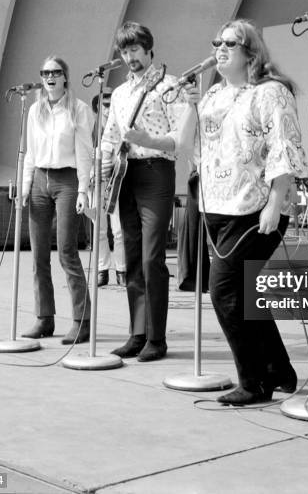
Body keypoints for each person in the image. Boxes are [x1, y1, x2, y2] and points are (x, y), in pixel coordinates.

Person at [178, 18, 306, 405]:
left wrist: (274, 201)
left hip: (254, 210)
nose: (220, 48)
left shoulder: (270, 93)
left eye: (230, 44)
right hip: (217, 208)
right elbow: (186, 144)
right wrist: (190, 104)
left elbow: (285, 146)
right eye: (216, 42)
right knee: (245, 294)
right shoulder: (214, 96)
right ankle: (280, 370)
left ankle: (253, 382)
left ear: (250, 52)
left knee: (225, 294)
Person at [101, 22, 183, 362]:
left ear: (149, 49)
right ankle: (137, 332)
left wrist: (149, 141)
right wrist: (103, 165)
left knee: (152, 257)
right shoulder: (118, 93)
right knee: (131, 256)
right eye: (124, 51)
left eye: (135, 49)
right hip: (125, 174)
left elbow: (180, 136)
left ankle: (157, 338)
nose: (130, 56)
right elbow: (109, 135)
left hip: (157, 171)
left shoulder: (168, 85)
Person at [21, 56, 94, 344]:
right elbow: (29, 152)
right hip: (40, 177)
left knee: (66, 251)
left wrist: (83, 190)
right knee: (38, 254)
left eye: (56, 72)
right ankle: (44, 318)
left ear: (65, 77)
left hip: (67, 179)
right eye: (45, 72)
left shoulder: (79, 109)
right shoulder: (35, 110)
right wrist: (26, 186)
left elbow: (85, 152)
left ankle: (82, 320)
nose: (50, 76)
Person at [90, 93, 126, 287]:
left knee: (119, 229)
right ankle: (102, 270)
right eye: (104, 105)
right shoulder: (92, 129)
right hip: (96, 181)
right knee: (99, 229)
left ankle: (122, 270)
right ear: (97, 108)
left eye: (110, 104)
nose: (107, 108)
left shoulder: (119, 128)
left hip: (116, 180)